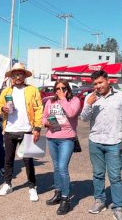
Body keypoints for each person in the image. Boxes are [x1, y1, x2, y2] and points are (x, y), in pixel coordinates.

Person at [81, 70, 122, 220]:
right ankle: (100, 201)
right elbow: (84, 119)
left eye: (100, 82)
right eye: (95, 84)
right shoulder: (90, 98)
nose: (98, 86)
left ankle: (118, 207)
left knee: (115, 177)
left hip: (114, 142)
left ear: (108, 80)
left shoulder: (121, 97)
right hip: (95, 141)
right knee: (97, 174)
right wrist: (89, 105)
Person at [0, 63, 42, 202]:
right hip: (10, 129)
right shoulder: (6, 92)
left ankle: (32, 187)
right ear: (11, 77)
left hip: (27, 129)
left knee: (28, 160)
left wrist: (37, 128)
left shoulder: (33, 90)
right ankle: (8, 184)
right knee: (8, 160)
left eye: (20, 74)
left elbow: (39, 109)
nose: (17, 77)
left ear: (24, 76)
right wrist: (2, 110)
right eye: (15, 74)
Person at [42, 79, 81, 215]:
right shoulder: (50, 102)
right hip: (52, 137)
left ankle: (66, 198)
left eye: (63, 88)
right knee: (56, 166)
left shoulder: (74, 100)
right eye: (57, 89)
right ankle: (58, 193)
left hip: (66, 138)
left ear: (68, 89)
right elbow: (44, 116)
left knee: (63, 167)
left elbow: (71, 113)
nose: (60, 91)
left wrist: (63, 99)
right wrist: (46, 123)